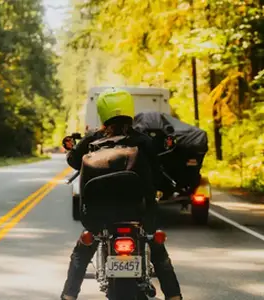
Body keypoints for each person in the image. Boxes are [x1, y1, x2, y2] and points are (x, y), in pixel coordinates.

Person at [60, 88, 182, 300]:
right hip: (139, 213)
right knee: (157, 248)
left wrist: (73, 149)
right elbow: (156, 172)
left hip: (100, 214)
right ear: (130, 111)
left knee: (84, 247)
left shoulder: (92, 140)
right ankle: (174, 296)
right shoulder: (143, 141)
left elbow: (73, 161)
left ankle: (69, 296)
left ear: (103, 113)